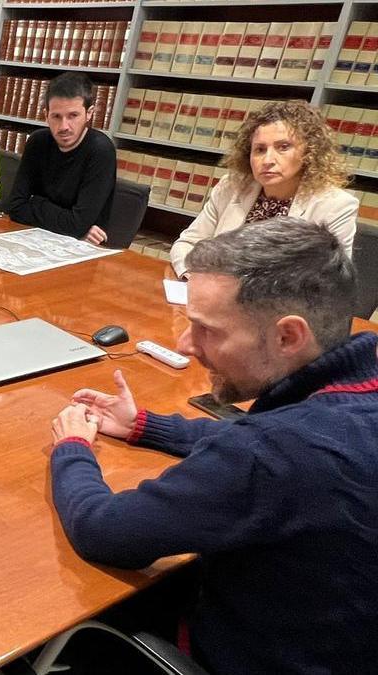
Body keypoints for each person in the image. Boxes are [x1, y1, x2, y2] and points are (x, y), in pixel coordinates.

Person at [48, 218, 378, 675]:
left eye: (206, 329)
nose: (185, 345)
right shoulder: (354, 397)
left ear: (288, 336)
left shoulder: (269, 455)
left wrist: (72, 448)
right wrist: (145, 425)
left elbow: (103, 531)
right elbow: (259, 439)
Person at [170, 99, 357, 278]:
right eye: (259, 149)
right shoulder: (231, 187)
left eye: (283, 147)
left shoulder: (336, 206)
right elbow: (187, 244)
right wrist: (195, 279)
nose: (267, 160)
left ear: (309, 153)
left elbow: (328, 282)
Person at [3, 72, 117, 244]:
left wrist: (35, 202)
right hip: (36, 238)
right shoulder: (37, 142)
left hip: (82, 248)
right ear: (45, 115)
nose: (64, 126)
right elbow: (16, 207)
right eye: (56, 116)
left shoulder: (100, 150)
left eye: (73, 115)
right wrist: (73, 226)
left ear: (89, 113)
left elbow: (77, 225)